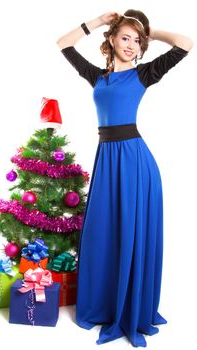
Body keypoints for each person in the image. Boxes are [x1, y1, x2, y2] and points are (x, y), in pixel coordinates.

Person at [56, 9, 193, 348]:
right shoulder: (97, 77)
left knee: (130, 233)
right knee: (102, 232)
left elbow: (186, 43)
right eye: (125, 37)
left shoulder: (145, 74)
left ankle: (129, 307)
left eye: (137, 40)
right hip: (106, 159)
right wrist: (99, 22)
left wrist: (148, 30)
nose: (131, 45)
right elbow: (64, 43)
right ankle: (103, 302)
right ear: (112, 40)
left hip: (134, 162)